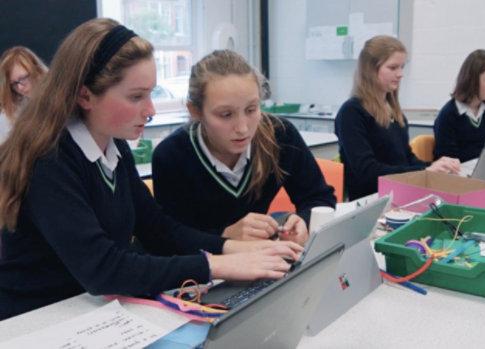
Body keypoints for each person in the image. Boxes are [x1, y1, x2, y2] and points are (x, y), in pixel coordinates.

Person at [0, 19, 302, 320]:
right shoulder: (50, 159)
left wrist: (231, 248)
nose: (151, 110)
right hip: (35, 321)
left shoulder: (114, 147)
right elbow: (103, 269)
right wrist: (216, 265)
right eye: (136, 97)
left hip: (91, 310)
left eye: (151, 94)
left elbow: (159, 230)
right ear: (85, 96)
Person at [152, 50, 336, 246]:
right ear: (196, 112)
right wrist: (225, 235)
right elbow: (169, 239)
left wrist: (303, 221)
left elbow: (319, 198)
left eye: (251, 110)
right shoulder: (172, 155)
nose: (242, 128)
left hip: (262, 262)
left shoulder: (281, 135)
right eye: (225, 115)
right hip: (203, 271)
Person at [334, 35, 460, 200]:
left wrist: (435, 167)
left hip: (400, 194)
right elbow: (367, 171)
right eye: (393, 68)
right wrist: (423, 172)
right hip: (372, 201)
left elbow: (407, 159)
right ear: (371, 70)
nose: (400, 74)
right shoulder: (351, 113)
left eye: (402, 67)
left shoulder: (393, 111)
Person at [0, 46, 48, 143]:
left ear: (37, 70)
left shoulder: (60, 96)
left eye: (23, 78)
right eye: (14, 83)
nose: (20, 88)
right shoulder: (10, 114)